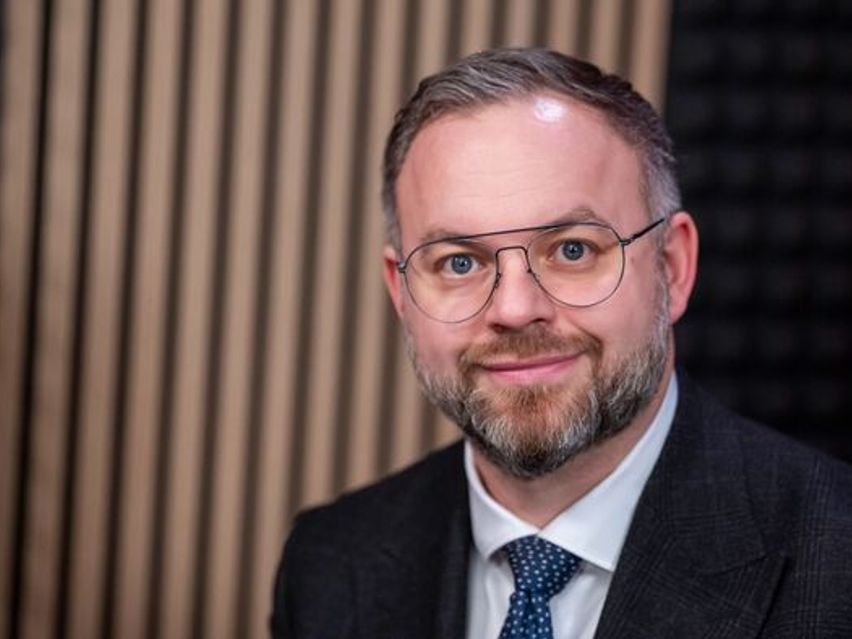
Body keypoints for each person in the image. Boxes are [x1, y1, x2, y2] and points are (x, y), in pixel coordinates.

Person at [271, 48, 852, 638]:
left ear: (672, 267)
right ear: (401, 293)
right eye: (459, 262)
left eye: (573, 250)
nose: (515, 310)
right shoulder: (329, 565)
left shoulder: (837, 561)